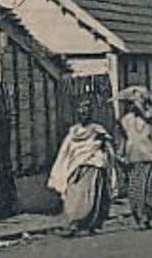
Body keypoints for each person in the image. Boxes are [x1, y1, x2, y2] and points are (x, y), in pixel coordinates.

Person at [48, 101, 115, 236]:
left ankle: (85, 224)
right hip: (75, 166)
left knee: (91, 198)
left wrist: (106, 150)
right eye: (81, 112)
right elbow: (65, 151)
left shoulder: (98, 130)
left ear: (91, 114)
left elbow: (108, 147)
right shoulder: (74, 132)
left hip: (93, 165)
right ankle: (74, 222)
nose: (84, 115)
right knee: (73, 195)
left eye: (86, 112)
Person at [119, 86, 152, 230]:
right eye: (132, 104)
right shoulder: (126, 120)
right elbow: (124, 138)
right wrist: (121, 154)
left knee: (149, 190)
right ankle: (140, 217)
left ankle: (148, 216)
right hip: (133, 157)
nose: (134, 106)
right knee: (135, 191)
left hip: (149, 157)